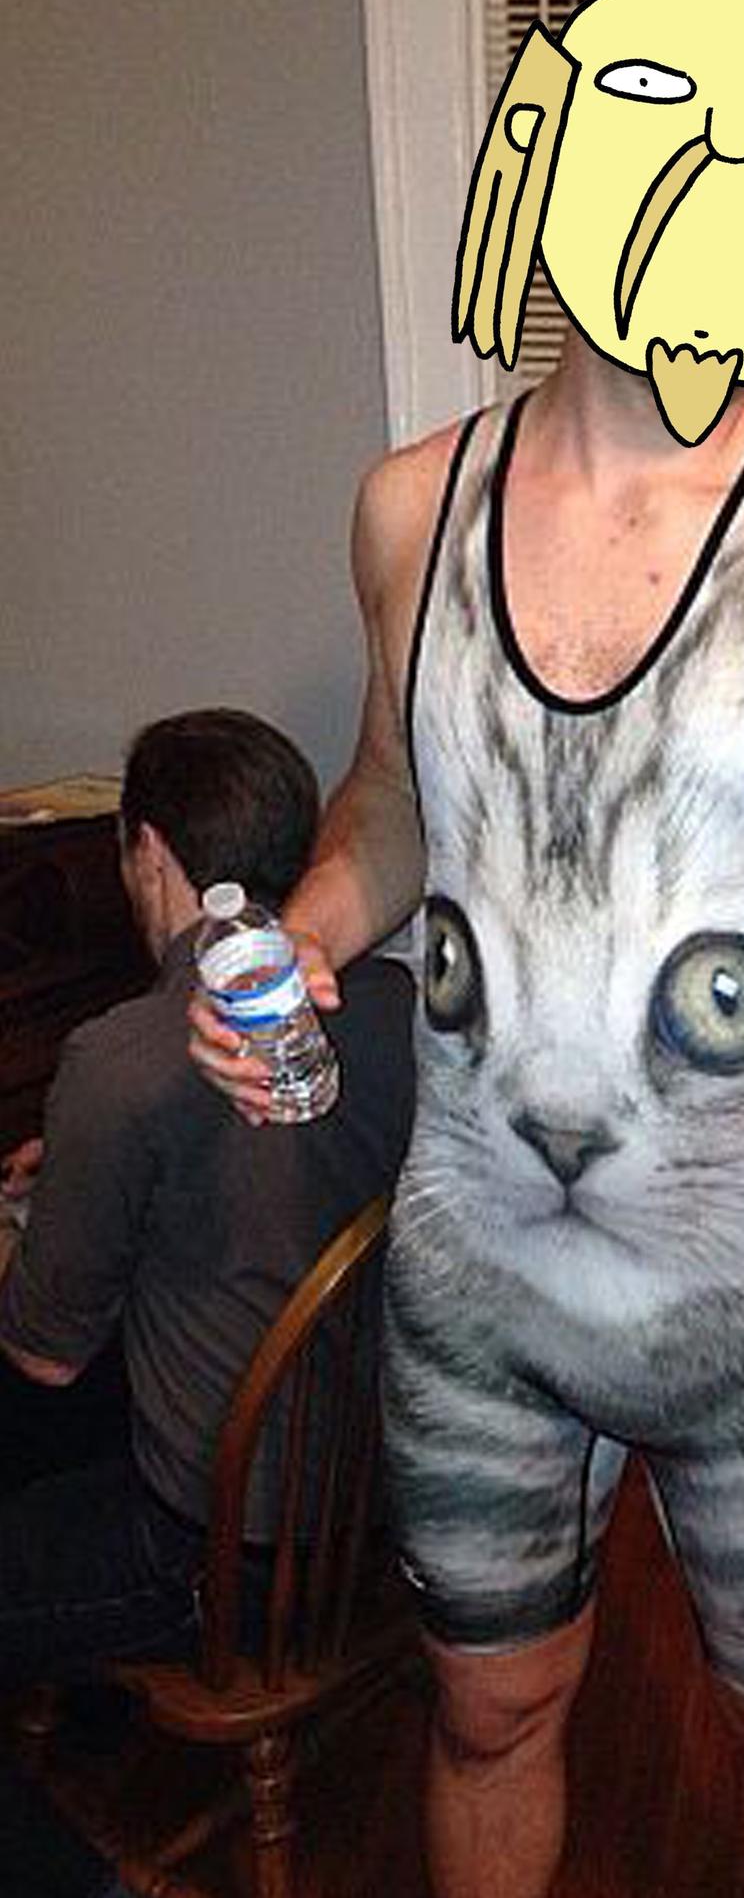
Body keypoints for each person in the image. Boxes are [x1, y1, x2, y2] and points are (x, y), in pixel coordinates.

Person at [193, 0, 744, 1896]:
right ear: (551, 160)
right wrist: (302, 936)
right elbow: (390, 803)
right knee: (486, 1715)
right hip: (472, 1282)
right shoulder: (408, 508)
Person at [0, 709, 415, 1897]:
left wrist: (40, 1221)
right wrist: (90, 1175)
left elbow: (43, 1357)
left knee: (43, 1396)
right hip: (377, 1501)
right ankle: (93, 1716)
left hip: (218, 1565)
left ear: (150, 853)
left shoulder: (121, 1057)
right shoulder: (395, 1006)